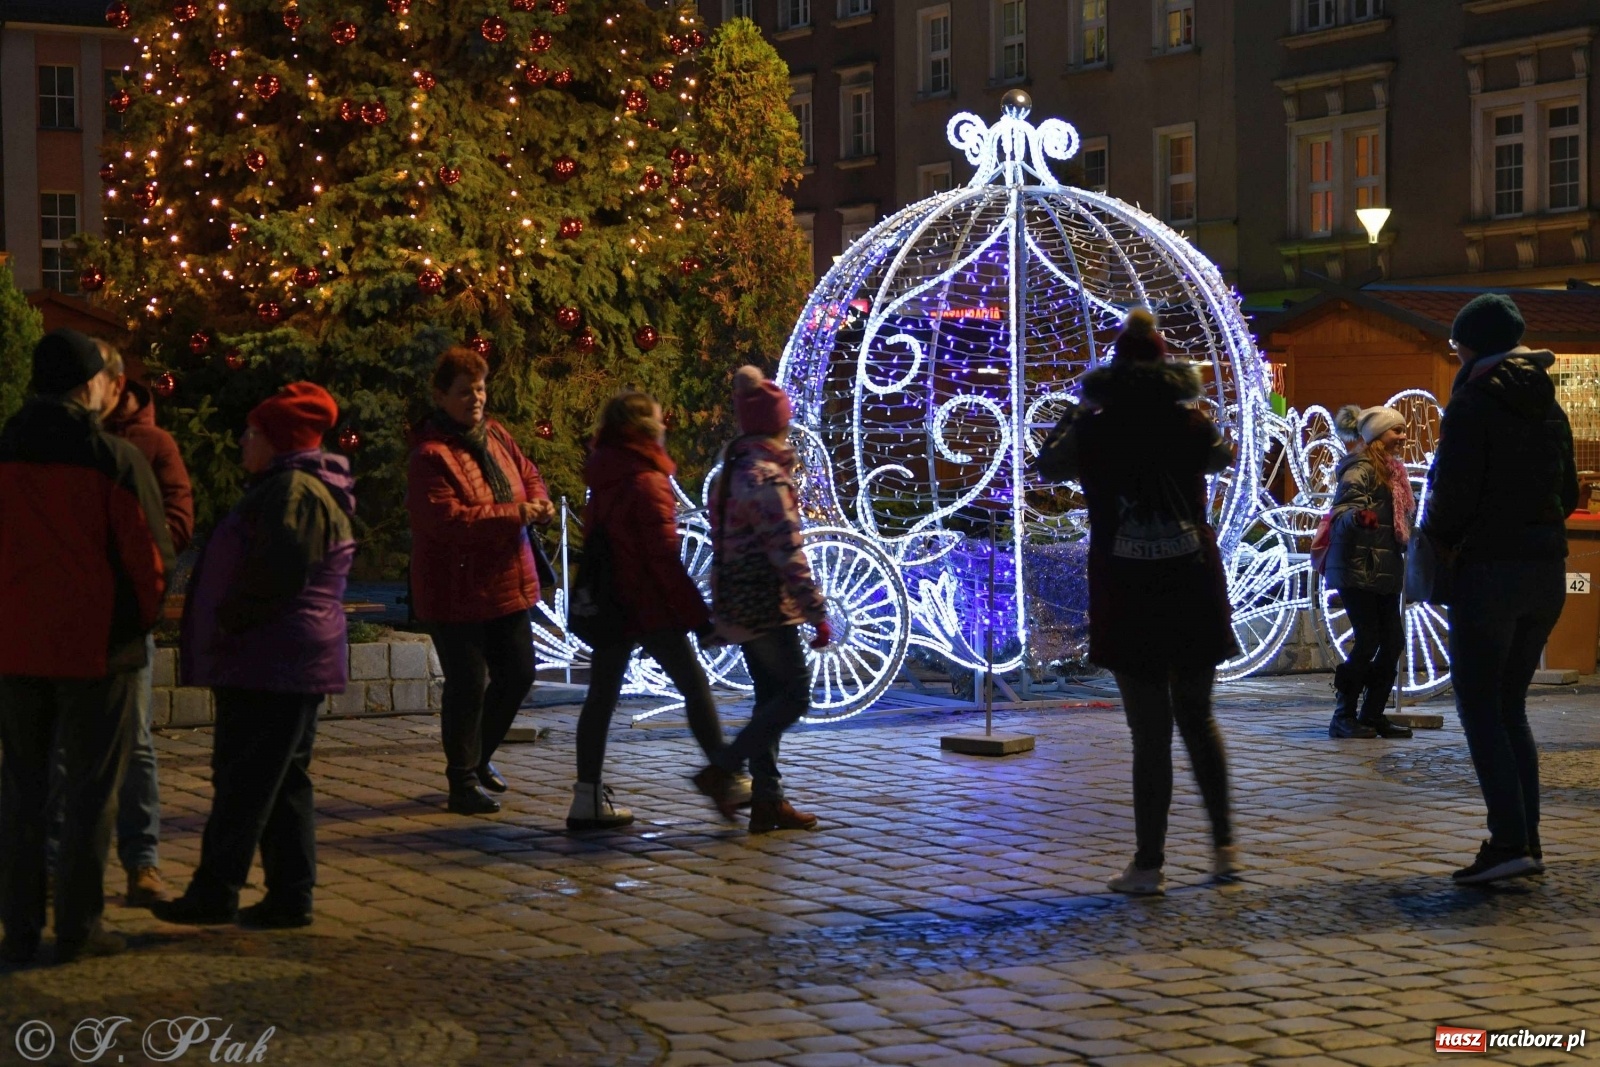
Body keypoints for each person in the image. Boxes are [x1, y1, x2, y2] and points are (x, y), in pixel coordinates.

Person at [1035, 309, 1237, 896]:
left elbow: (1047, 462)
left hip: (1127, 589)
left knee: (1149, 731)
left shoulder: (1096, 429)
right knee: (1198, 718)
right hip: (1191, 581)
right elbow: (1222, 457)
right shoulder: (1192, 424)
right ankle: (1224, 849)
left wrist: (1079, 409)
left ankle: (1149, 864)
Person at [0, 329, 173, 964]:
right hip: (97, 652)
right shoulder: (112, 459)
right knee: (91, 794)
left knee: (21, 790)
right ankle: (79, 924)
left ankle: (18, 925)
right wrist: (136, 626)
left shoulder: (3, 451)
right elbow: (150, 561)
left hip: (15, 650)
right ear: (88, 385)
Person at [153, 383, 354, 928]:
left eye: (253, 433)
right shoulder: (289, 486)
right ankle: (291, 894)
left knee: (244, 778)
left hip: (273, 658)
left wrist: (231, 617)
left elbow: (279, 570)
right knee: (281, 777)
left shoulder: (292, 490)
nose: (244, 441)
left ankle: (216, 891)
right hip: (280, 657)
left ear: (279, 440)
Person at [1424, 294, 1578, 885]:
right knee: (1509, 706)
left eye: (1458, 343)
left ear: (1471, 344)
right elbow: (1568, 492)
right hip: (1545, 568)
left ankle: (1510, 841)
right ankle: (1525, 841)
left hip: (1490, 572)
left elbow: (1454, 498)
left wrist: (1435, 535)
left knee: (1481, 705)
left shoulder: (1472, 402)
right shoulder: (1547, 402)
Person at [569, 391, 738, 830]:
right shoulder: (647, 480)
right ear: (645, 428)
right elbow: (662, 561)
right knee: (695, 687)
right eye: (660, 420)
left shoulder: (605, 475)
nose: (666, 427)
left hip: (612, 604)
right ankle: (725, 776)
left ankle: (585, 796)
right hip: (647, 605)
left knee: (600, 698)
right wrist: (700, 620)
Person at [408, 347, 554, 815]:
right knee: (468, 683)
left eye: (480, 388)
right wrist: (514, 515)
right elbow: (447, 521)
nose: (475, 398)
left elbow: (527, 472)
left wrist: (538, 501)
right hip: (454, 589)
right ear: (441, 395)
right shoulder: (431, 455)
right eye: (464, 391)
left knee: (519, 674)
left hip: (506, 579)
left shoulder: (494, 435)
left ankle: (480, 758)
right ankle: (462, 781)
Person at [693, 366, 830, 833]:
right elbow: (787, 552)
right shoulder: (768, 479)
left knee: (770, 697)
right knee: (794, 695)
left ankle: (769, 799)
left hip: (737, 598)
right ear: (779, 423)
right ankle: (724, 768)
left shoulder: (730, 472)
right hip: (768, 605)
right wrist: (817, 611)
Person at [98, 343, 195, 906]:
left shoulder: (151, 444)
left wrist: (146, 567)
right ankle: (61, 866)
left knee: (134, 739)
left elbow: (178, 517)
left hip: (128, 611)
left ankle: (142, 862)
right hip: (77, 612)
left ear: (115, 384)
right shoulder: (76, 444)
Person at [1325, 404, 1414, 741]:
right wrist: (1358, 519)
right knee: (1369, 639)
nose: (1403, 437)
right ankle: (1343, 715)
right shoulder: (1360, 468)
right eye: (1396, 430)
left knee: (1392, 642)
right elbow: (1343, 510)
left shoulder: (1394, 472)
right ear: (1377, 435)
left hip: (1385, 566)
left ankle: (1373, 714)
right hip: (1357, 565)